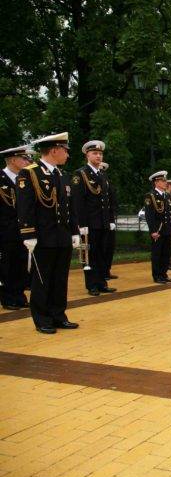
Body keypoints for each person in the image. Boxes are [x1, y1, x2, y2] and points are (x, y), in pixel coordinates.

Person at [16, 132, 80, 333]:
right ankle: (42, 319)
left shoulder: (62, 175)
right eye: (65, 151)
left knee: (60, 279)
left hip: (62, 235)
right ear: (54, 150)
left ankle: (58, 315)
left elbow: (69, 206)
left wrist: (74, 231)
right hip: (43, 236)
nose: (67, 155)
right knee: (42, 280)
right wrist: (28, 234)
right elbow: (25, 207)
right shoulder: (30, 173)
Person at [71, 140, 117, 296]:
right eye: (95, 153)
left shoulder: (102, 174)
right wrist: (81, 224)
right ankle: (92, 285)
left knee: (102, 254)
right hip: (90, 223)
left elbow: (107, 200)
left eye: (100, 153)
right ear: (87, 155)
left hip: (103, 222)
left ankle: (102, 283)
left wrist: (110, 220)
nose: (98, 156)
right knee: (90, 255)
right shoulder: (81, 174)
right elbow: (78, 202)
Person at [0, 145, 33, 310]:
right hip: (5, 231)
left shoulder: (24, 178)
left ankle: (19, 296)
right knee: (7, 265)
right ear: (13, 160)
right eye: (23, 158)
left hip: (22, 229)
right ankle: (8, 298)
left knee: (21, 264)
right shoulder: (1, 178)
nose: (27, 161)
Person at [144, 171, 171, 284]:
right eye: (163, 181)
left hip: (166, 229)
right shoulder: (151, 196)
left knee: (166, 253)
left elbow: (170, 213)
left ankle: (164, 274)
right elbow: (149, 215)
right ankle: (157, 276)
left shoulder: (167, 195)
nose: (165, 183)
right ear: (156, 182)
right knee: (157, 254)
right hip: (158, 230)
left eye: (165, 180)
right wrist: (153, 231)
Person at [99, 162, 119, 279]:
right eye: (100, 169)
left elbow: (112, 202)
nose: (101, 172)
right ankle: (101, 272)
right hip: (98, 220)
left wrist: (112, 219)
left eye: (103, 170)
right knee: (101, 248)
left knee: (110, 246)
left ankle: (106, 270)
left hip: (109, 219)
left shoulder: (108, 184)